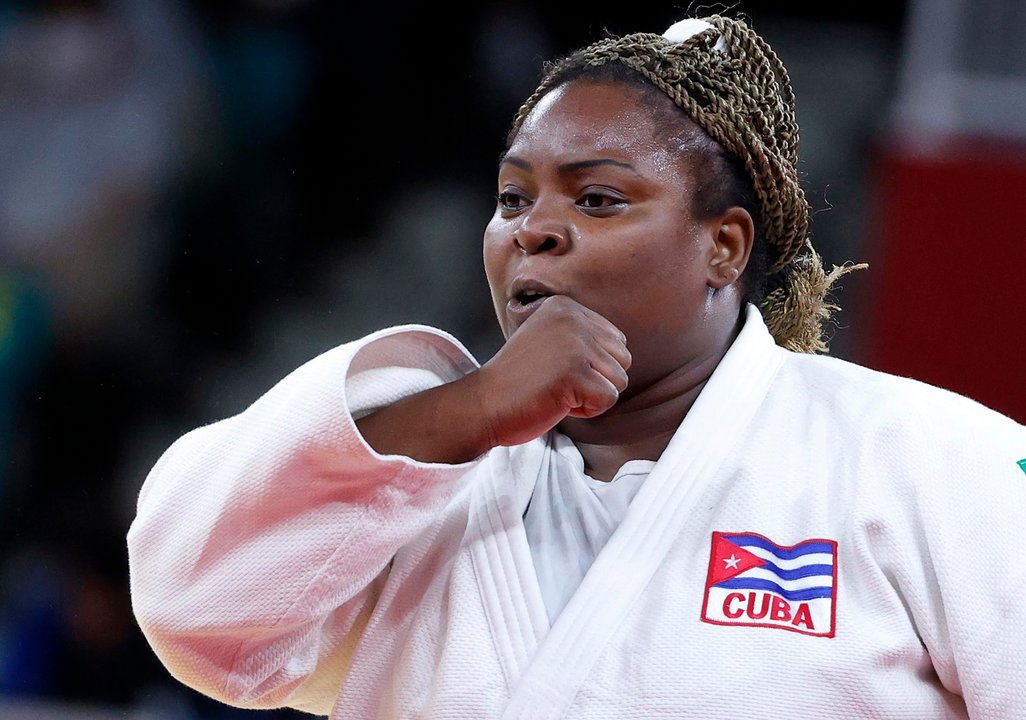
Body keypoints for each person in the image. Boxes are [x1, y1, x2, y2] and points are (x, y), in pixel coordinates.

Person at [127, 12, 1026, 720]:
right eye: (513, 197)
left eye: (599, 199)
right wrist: (470, 410)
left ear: (724, 246)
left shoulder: (924, 459)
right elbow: (191, 606)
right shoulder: (411, 483)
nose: (533, 230)